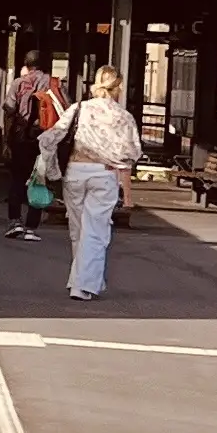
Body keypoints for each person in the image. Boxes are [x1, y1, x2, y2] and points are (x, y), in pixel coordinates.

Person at [59, 66, 145, 300]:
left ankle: (84, 279)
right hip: (103, 173)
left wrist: (46, 167)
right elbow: (130, 155)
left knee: (78, 230)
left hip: (74, 171)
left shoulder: (79, 109)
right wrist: (128, 194)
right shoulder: (123, 117)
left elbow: (52, 136)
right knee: (95, 231)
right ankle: (83, 285)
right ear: (118, 87)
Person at [0, 60, 62, 239]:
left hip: (20, 139)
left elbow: (9, 111)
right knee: (39, 181)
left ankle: (14, 222)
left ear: (27, 65)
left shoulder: (19, 83)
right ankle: (31, 228)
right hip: (44, 141)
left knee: (17, 181)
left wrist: (6, 141)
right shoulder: (53, 83)